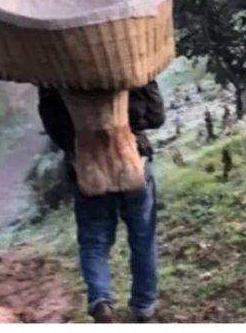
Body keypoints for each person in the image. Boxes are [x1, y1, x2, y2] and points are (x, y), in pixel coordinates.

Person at [38, 80, 165, 323]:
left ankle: (100, 299)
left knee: (94, 241)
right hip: (133, 163)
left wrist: (85, 138)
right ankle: (143, 305)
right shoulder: (128, 71)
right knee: (142, 238)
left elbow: (58, 133)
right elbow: (156, 117)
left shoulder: (52, 80)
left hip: (87, 168)